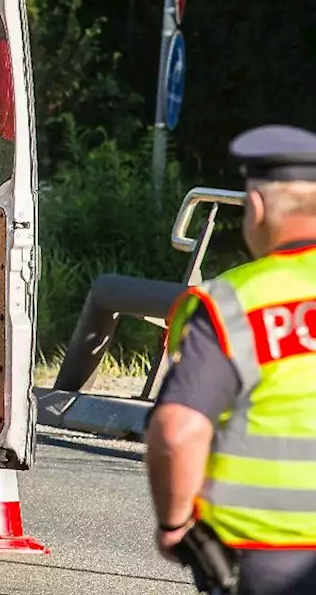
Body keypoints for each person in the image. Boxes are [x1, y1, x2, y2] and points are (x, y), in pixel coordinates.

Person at [146, 124, 316, 594]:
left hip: (268, 563)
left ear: (257, 209)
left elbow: (178, 432)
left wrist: (175, 523)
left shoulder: (233, 304)